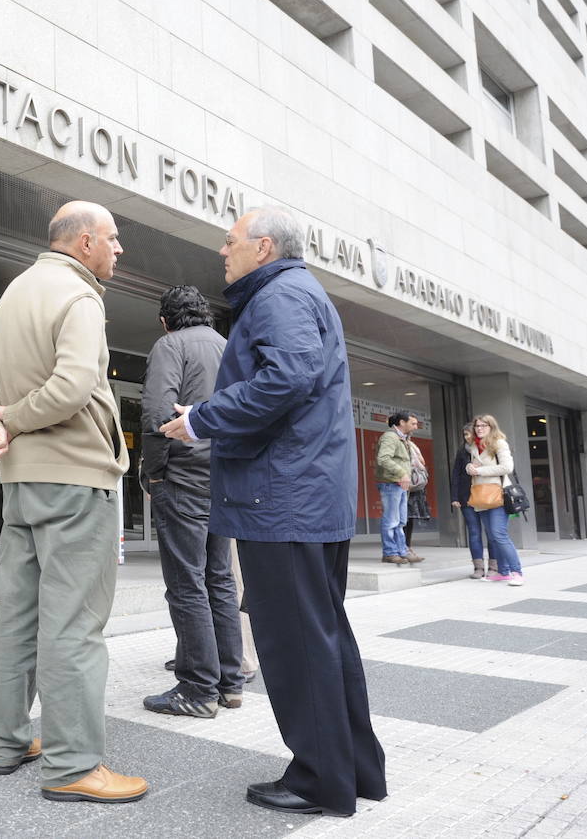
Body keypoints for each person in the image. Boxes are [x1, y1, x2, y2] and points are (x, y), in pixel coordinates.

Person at [160, 206, 386, 818]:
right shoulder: (297, 291)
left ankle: (320, 781)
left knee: (295, 644)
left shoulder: (278, 296)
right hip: (304, 496)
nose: (222, 252)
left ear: (263, 248)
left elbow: (287, 377)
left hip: (282, 499)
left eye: (229, 243)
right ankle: (354, 770)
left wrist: (201, 418)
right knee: (323, 635)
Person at [0, 200, 147, 804]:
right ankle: (72, 766)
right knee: (74, 624)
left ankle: (7, 741)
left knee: (18, 617)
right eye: (114, 238)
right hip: (75, 481)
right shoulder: (81, 297)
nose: (119, 249)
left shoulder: (14, 294)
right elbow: (72, 387)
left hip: (20, 485)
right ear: (85, 241)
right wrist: (13, 423)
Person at [138, 285, 244, 719]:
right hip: (223, 480)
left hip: (182, 478)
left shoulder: (170, 345)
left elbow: (157, 414)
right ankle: (230, 681)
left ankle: (198, 688)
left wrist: (154, 471)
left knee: (186, 583)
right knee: (219, 579)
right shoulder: (227, 346)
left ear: (166, 320)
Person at [466, 414, 524, 586]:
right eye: (477, 426)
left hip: (498, 494)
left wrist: (480, 470)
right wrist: (469, 467)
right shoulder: (474, 446)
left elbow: (507, 467)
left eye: (484, 425)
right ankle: (503, 572)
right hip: (481, 495)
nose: (480, 428)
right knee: (492, 536)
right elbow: (475, 466)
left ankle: (517, 572)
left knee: (499, 534)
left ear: (491, 427)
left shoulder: (499, 443)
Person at [449, 422, 494, 579]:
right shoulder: (462, 451)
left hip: (486, 495)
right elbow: (456, 474)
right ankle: (478, 568)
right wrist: (454, 497)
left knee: (491, 532)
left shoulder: (489, 449)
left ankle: (494, 567)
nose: (466, 437)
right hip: (466, 497)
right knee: (474, 532)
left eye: (469, 434)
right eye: (465, 435)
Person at [374, 412, 419, 565]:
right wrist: (402, 473)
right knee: (391, 520)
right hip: (391, 483)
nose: (416, 427)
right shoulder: (390, 436)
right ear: (402, 422)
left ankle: (402, 551)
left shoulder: (403, 438)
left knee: (400, 521)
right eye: (412, 423)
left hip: (399, 484)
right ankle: (389, 553)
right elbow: (383, 458)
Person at [403, 414, 429, 561]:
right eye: (413, 424)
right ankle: (401, 548)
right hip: (403, 483)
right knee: (402, 518)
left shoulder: (411, 444)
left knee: (409, 517)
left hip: (413, 485)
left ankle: (407, 546)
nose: (416, 427)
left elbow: (421, 462)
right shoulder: (395, 439)